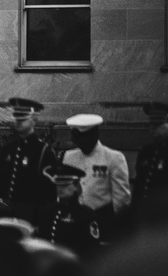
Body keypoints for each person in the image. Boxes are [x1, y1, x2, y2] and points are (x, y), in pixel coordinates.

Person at [61, 113, 131, 241]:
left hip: (102, 221)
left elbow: (121, 199)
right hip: (74, 220)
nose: (81, 143)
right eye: (78, 139)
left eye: (84, 138)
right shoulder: (69, 157)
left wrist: (116, 226)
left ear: (94, 134)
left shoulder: (113, 158)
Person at [0, 97, 55, 223]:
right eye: (17, 118)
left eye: (23, 119)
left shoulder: (43, 151)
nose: (18, 122)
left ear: (34, 119)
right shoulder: (7, 150)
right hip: (6, 211)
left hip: (31, 213)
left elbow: (49, 191)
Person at [35, 162, 102, 257]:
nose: (60, 189)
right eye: (58, 184)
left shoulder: (86, 215)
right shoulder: (46, 212)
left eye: (65, 185)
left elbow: (92, 248)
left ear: (76, 186)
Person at [133, 101, 168, 222]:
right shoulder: (146, 152)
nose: (151, 130)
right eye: (150, 126)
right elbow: (139, 186)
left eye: (156, 126)